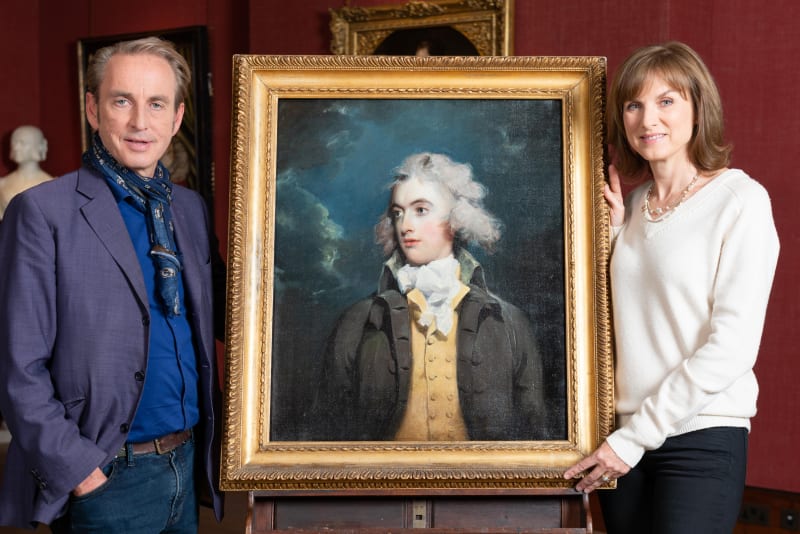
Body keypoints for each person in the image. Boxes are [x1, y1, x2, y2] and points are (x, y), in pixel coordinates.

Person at [0, 37, 224, 532]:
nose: (140, 122)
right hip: (107, 477)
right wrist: (81, 471)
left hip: (186, 462)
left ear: (177, 117)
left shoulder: (187, 210)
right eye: (122, 101)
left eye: (156, 104)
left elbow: (229, 315)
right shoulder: (41, 213)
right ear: (93, 109)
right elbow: (17, 367)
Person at [563, 42, 779, 533]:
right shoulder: (631, 207)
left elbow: (732, 348)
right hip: (623, 441)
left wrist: (635, 437)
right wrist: (616, 235)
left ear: (698, 109)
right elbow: (616, 322)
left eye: (666, 101)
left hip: (700, 436)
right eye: (634, 105)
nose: (647, 119)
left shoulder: (739, 200)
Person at [311, 152, 552, 442]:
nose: (405, 226)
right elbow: (328, 431)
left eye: (421, 210)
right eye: (398, 213)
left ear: (457, 218)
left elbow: (534, 433)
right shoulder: (358, 320)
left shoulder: (508, 321)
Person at [0, 125, 54, 220]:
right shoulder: (2, 184)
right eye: (14, 142)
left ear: (39, 146)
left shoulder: (53, 185)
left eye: (22, 143)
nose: (16, 148)